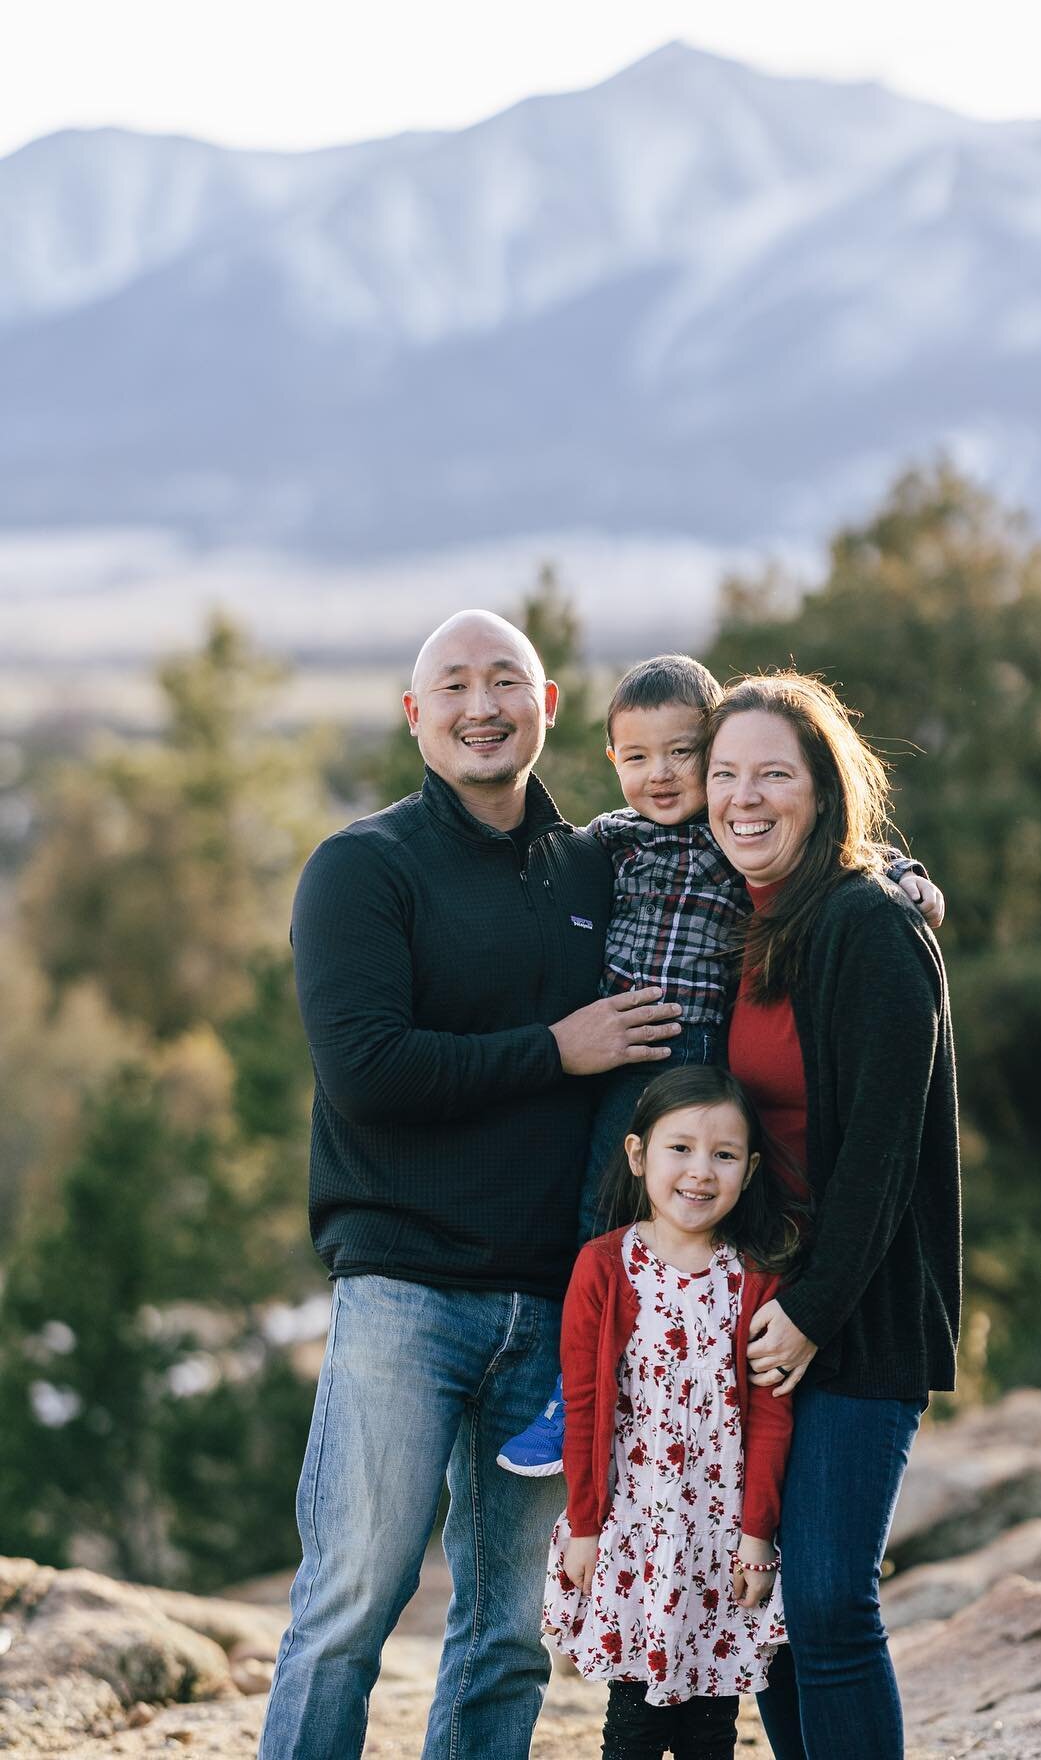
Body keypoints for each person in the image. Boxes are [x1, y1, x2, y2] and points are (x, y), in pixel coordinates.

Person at [258, 610, 685, 1760]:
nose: (481, 705)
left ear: (549, 710)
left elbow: (742, 851)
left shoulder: (602, 862)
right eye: (453, 685)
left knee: (508, 1632)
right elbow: (366, 1073)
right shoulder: (363, 868)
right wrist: (559, 1047)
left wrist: (889, 875)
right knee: (350, 1603)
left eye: (508, 682)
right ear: (415, 716)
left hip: (557, 1307)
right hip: (406, 1289)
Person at [497, 653, 943, 1478]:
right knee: (604, 1208)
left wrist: (903, 873)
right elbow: (526, 867)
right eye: (637, 758)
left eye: (683, 756)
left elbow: (835, 848)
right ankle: (584, 1384)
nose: (661, 776)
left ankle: (656, 1368)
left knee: (709, 1210)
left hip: (706, 1062)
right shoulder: (612, 843)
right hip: (629, 1062)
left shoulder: (731, 838)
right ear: (612, 763)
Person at [703, 672, 962, 1760]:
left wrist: (811, 1312)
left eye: (773, 774)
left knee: (826, 1603)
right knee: (764, 1616)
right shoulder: (733, 924)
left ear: (825, 792)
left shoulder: (871, 928)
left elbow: (883, 1158)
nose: (742, 799)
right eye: (724, 776)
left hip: (853, 1318)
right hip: (754, 1316)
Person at [542, 1065, 798, 1760]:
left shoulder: (754, 1276)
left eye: (722, 1155)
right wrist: (588, 1524)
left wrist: (756, 1534)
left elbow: (772, 1414)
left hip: (720, 1535)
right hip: (636, 1529)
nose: (699, 1172)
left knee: (713, 1724)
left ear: (747, 1171)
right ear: (637, 1155)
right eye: (678, 1148)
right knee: (636, 1720)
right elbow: (587, 1406)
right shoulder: (604, 1266)